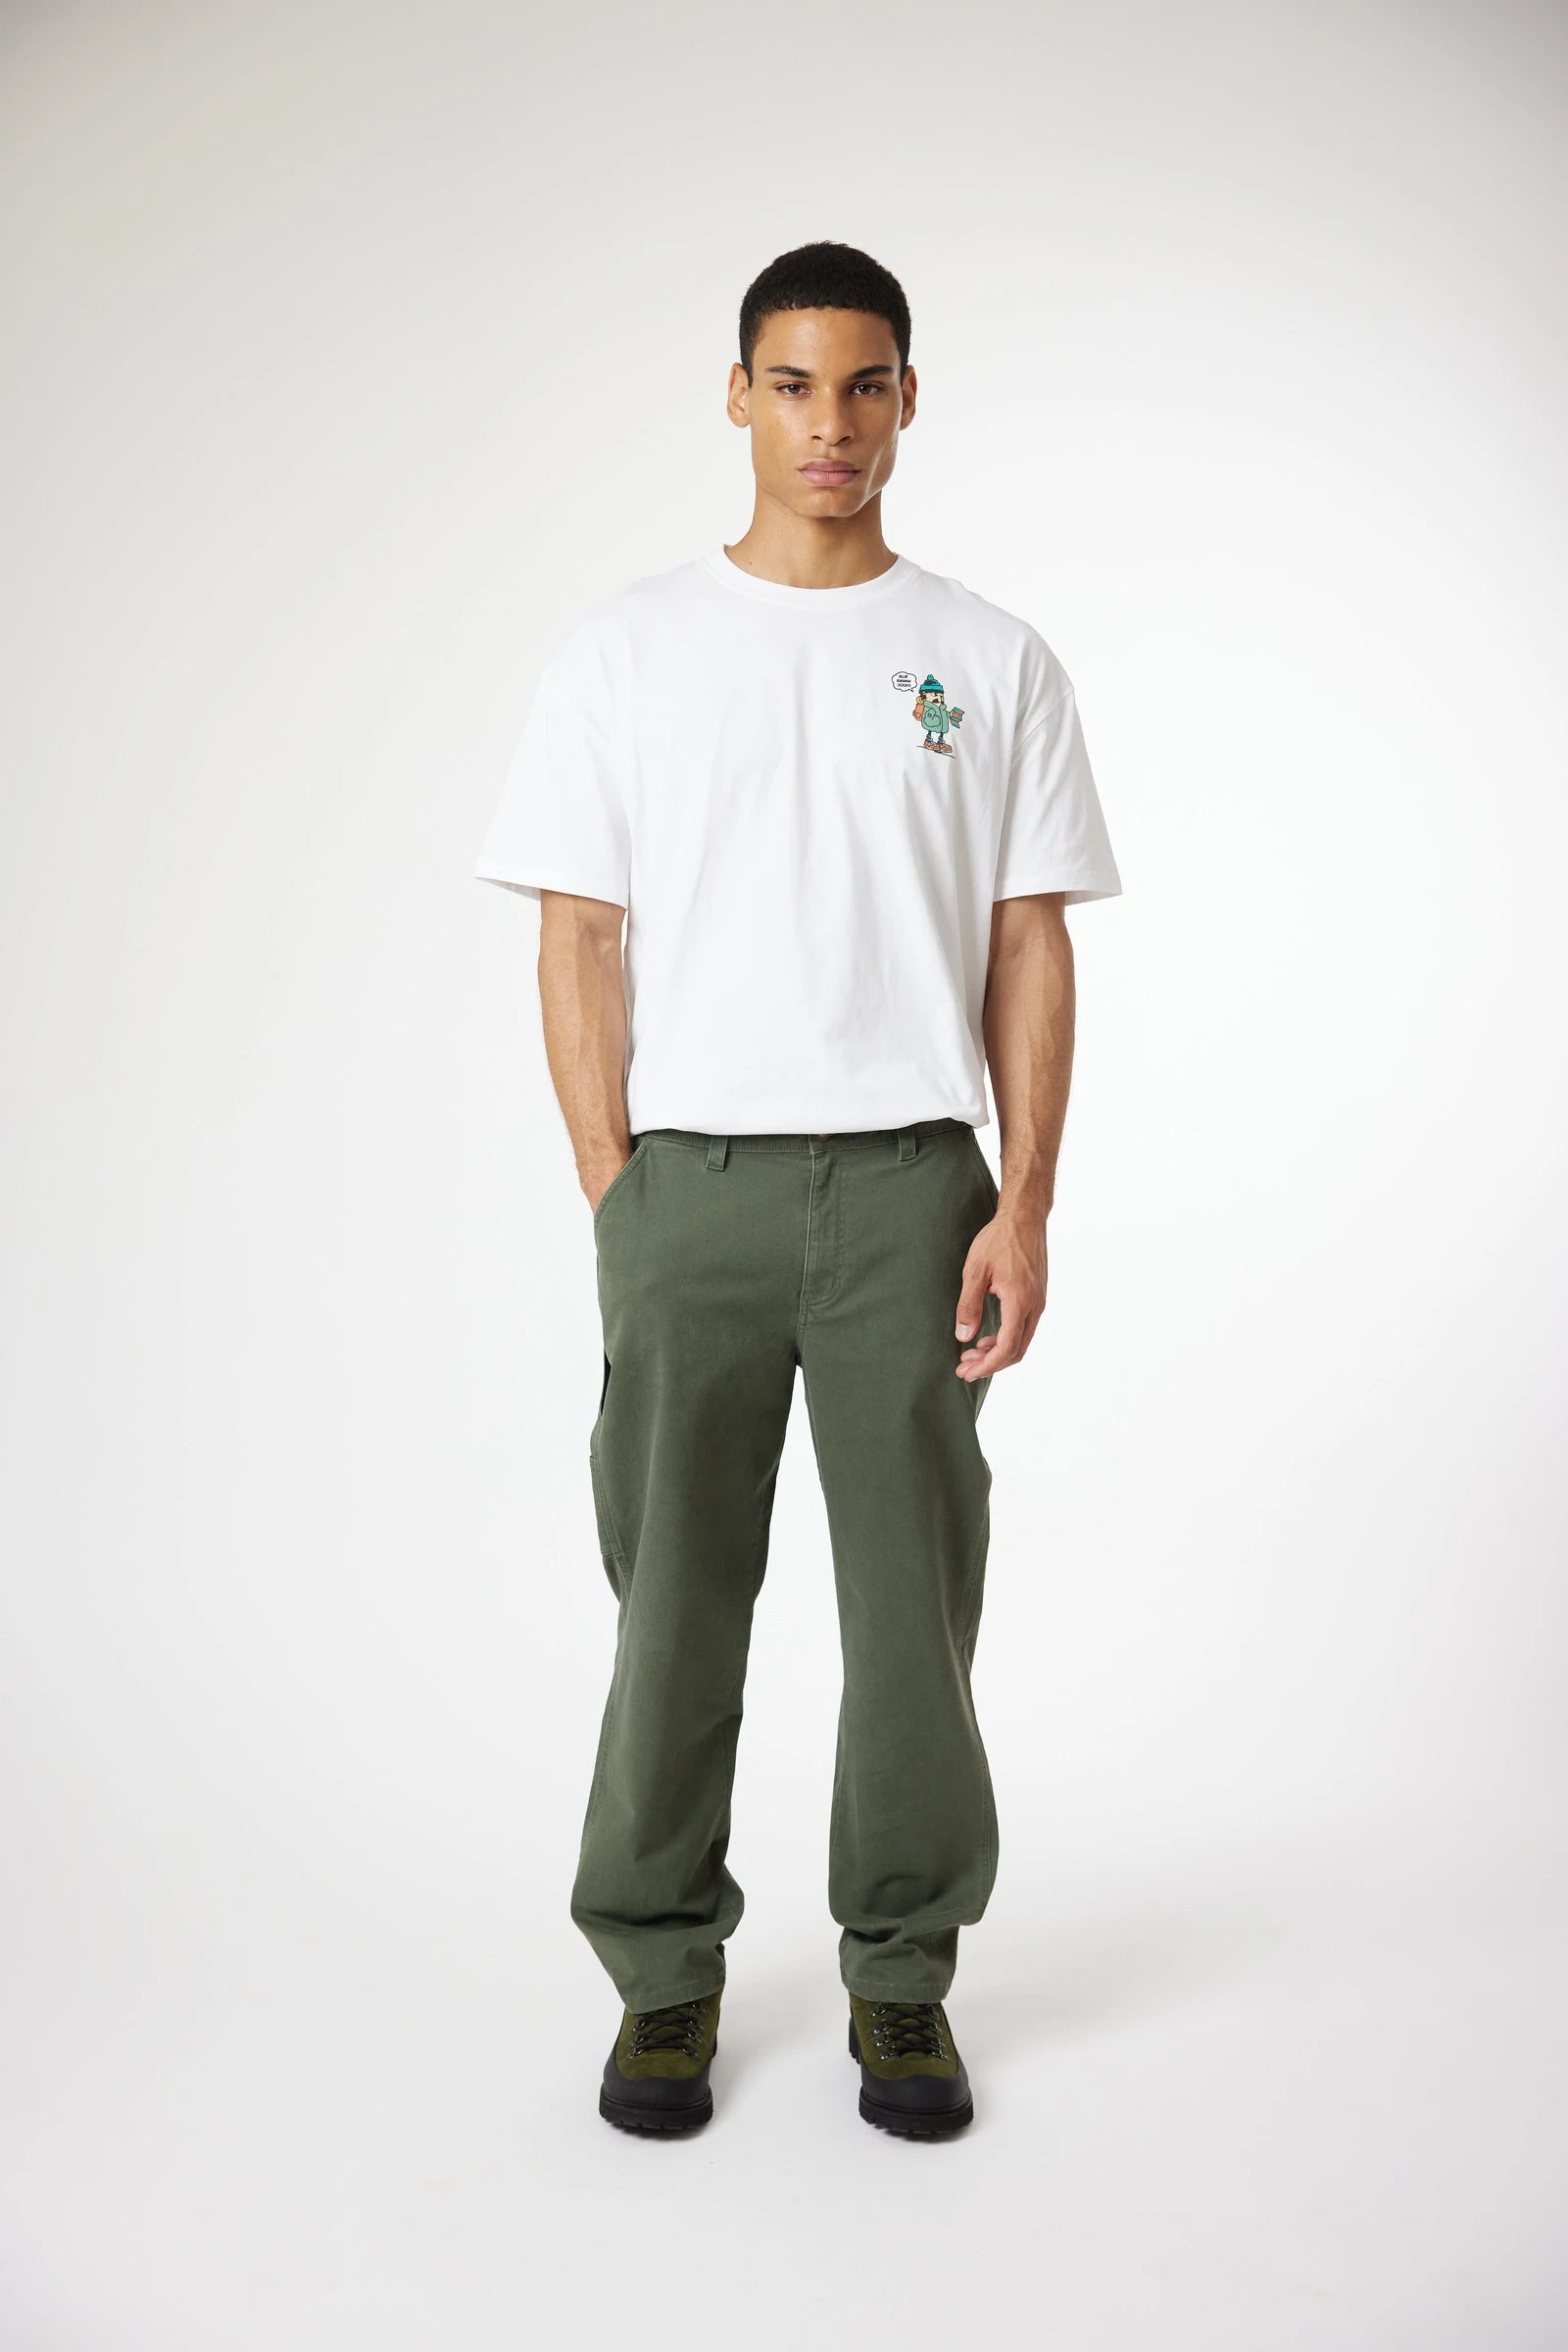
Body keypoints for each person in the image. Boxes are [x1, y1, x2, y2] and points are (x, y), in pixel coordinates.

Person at [474, 240, 1121, 2138]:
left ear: (907, 401)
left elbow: (1027, 943)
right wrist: (617, 1190)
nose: (827, 423)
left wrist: (1024, 1201)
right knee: (673, 1603)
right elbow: (576, 936)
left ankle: (900, 1981)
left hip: (915, 1188)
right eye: (790, 384)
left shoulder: (988, 659)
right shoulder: (628, 652)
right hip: (691, 1191)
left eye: (862, 385)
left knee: (913, 1612)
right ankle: (660, 1974)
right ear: (737, 396)